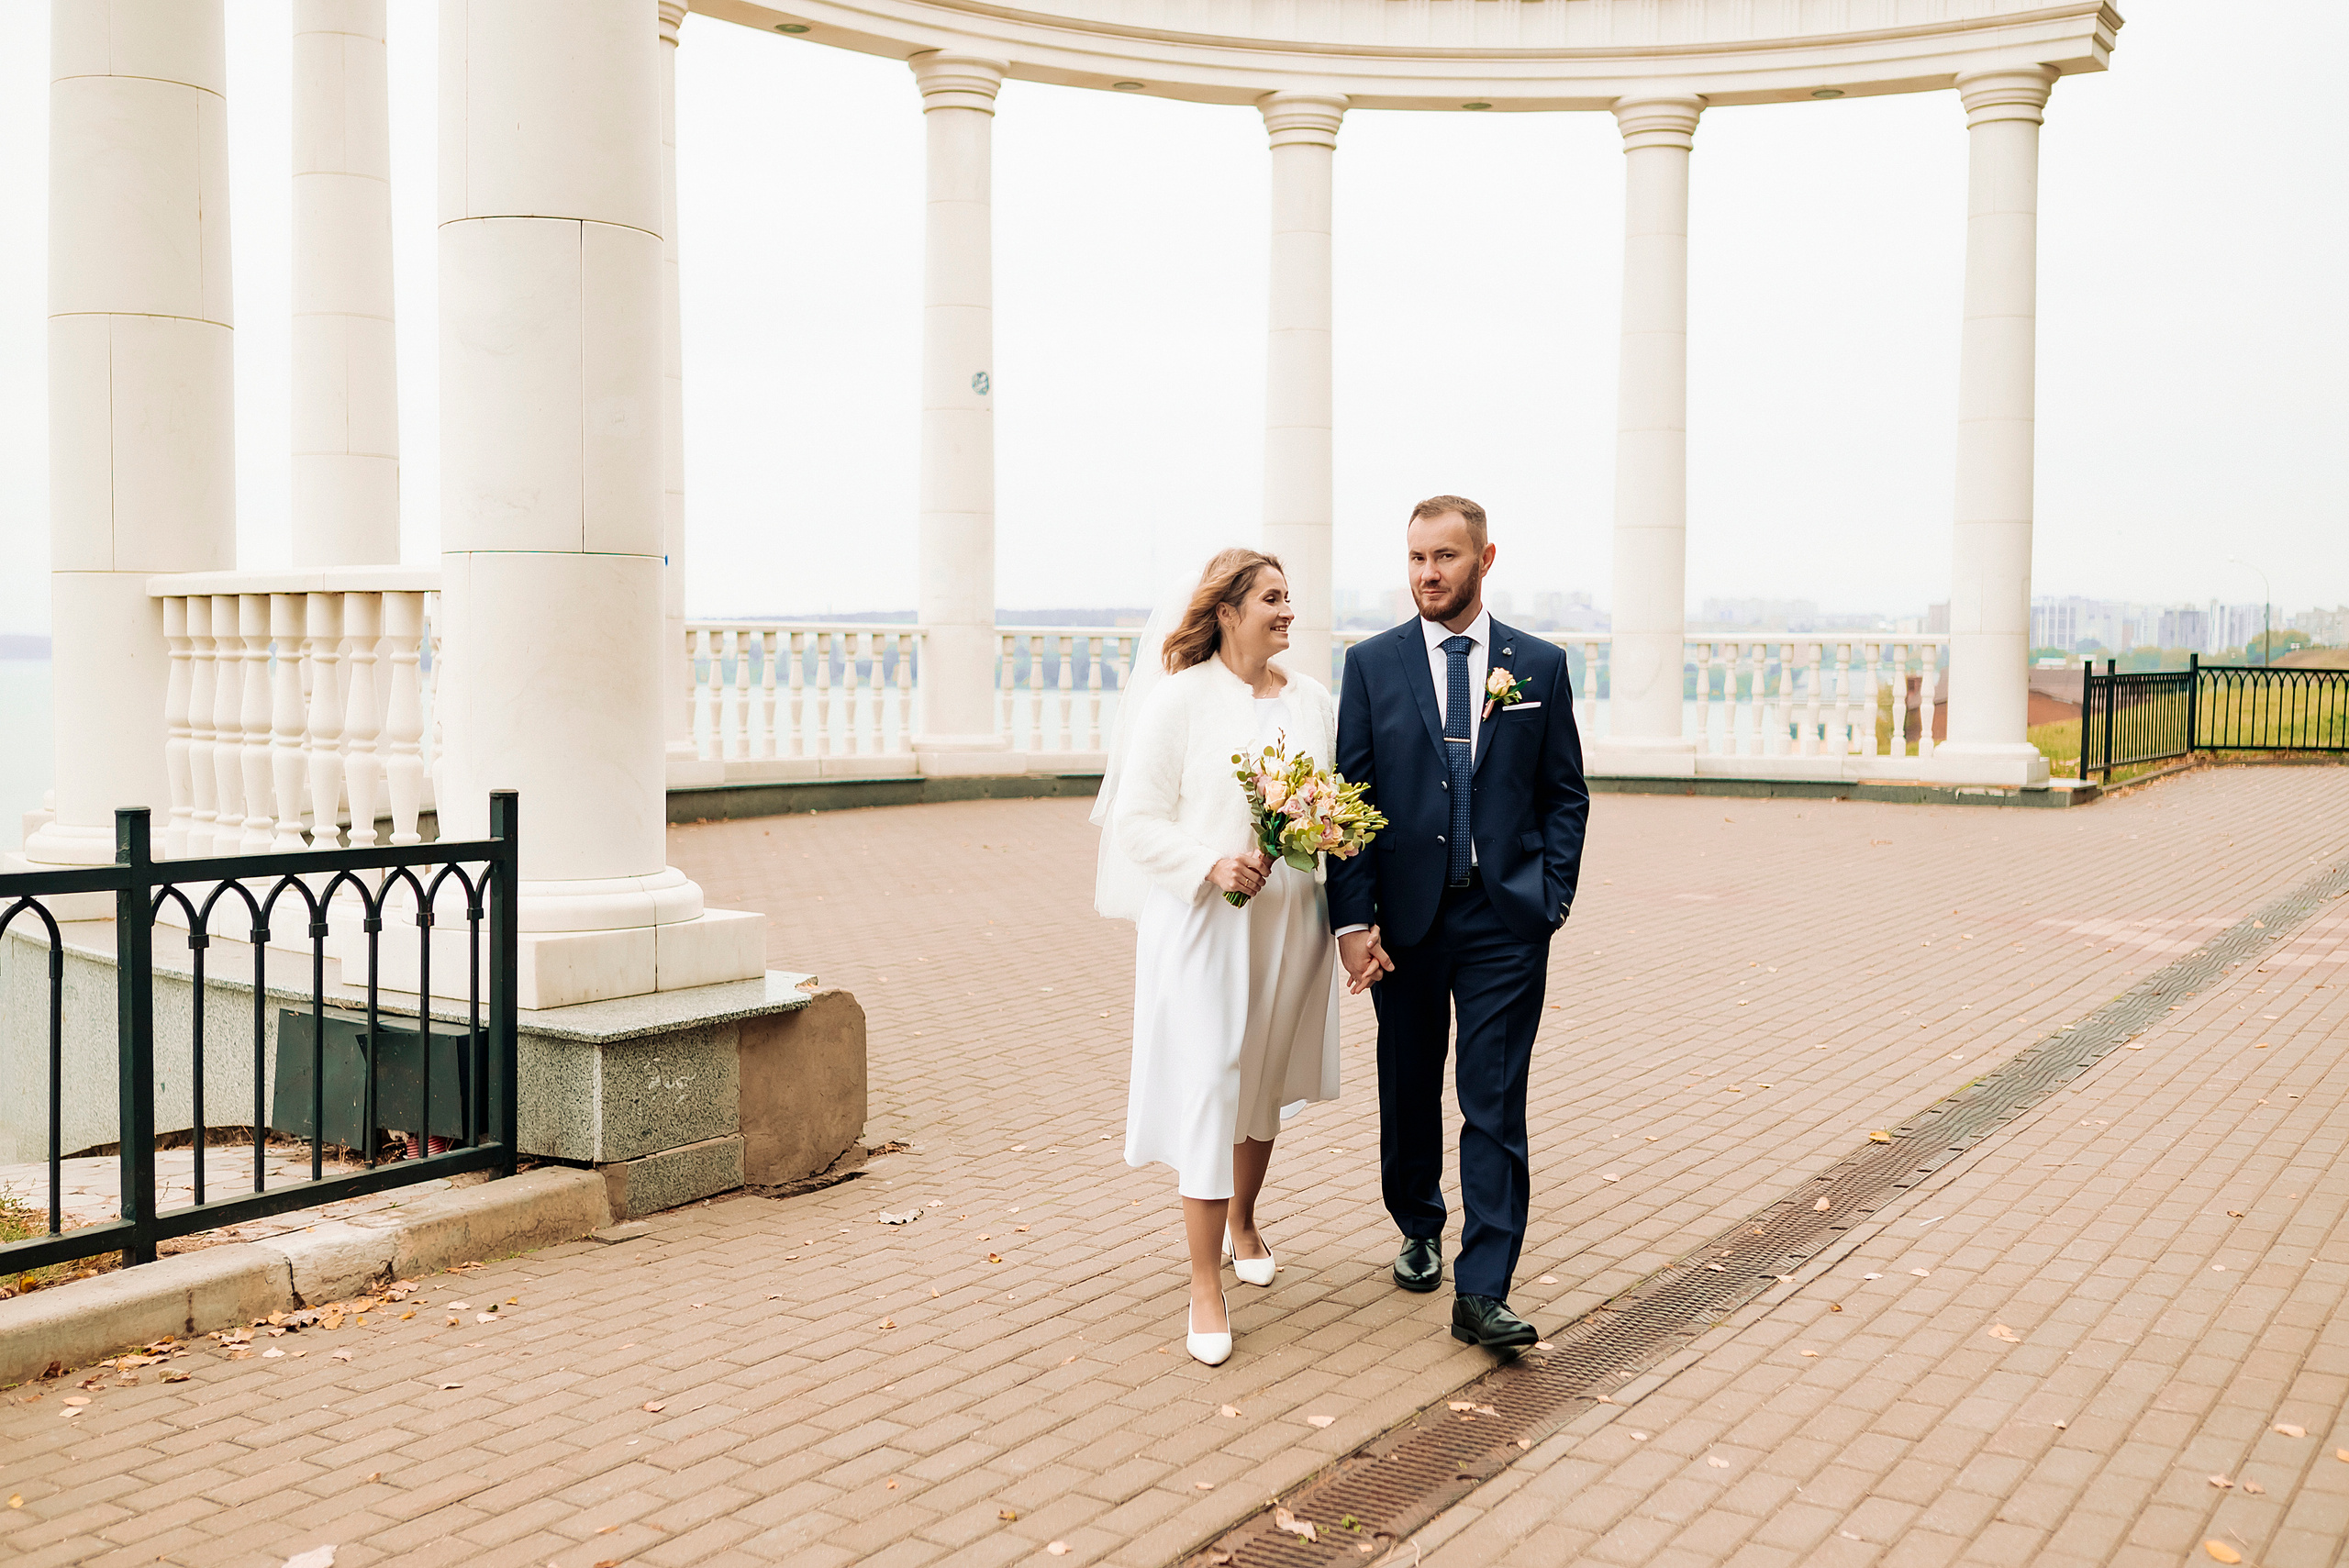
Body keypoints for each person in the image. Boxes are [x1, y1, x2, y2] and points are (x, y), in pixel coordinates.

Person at [1327, 495, 1589, 1353]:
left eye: (1444, 557)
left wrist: (1548, 898)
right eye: (1415, 559)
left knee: (1494, 1100)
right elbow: (1351, 804)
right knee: (1408, 1088)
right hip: (1403, 924)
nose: (1427, 574)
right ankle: (1418, 1221)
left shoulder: (1538, 667)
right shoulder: (1371, 666)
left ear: (1483, 560)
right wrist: (1353, 921)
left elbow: (1564, 794)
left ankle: (1483, 1288)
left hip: (1504, 921)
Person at [1093, 549, 1341, 1366]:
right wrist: (1210, 862)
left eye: (1288, 596)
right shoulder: (1180, 702)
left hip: (1287, 921)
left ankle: (1244, 1218)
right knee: (1209, 1083)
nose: (1287, 611)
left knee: (1262, 1078)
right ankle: (1205, 1282)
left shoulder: (1313, 703)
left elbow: (1333, 801)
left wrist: (1321, 834)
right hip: (1205, 925)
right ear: (1228, 611)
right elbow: (1134, 821)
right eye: (1272, 597)